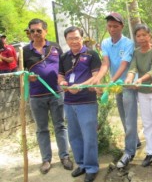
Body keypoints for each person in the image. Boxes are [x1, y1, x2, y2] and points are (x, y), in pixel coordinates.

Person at [23, 18, 73, 174]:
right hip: (36, 96)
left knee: (60, 125)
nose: (36, 33)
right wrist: (26, 77)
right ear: (29, 33)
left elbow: (65, 66)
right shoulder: (24, 51)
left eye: (39, 30)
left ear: (45, 31)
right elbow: (20, 73)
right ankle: (46, 160)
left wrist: (66, 83)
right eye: (32, 31)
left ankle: (64, 157)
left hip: (56, 93)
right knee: (42, 129)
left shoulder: (55, 47)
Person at [92, 12, 140, 168]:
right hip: (116, 85)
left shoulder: (128, 43)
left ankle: (129, 152)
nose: (112, 29)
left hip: (128, 84)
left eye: (115, 26)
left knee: (130, 118)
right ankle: (135, 142)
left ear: (122, 27)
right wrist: (99, 78)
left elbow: (124, 65)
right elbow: (105, 64)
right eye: (110, 26)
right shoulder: (105, 43)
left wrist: (110, 83)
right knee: (123, 116)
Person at [58, 26, 101, 182]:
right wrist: (63, 82)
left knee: (89, 136)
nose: (74, 41)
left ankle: (91, 168)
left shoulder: (92, 55)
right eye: (70, 38)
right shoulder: (63, 57)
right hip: (69, 102)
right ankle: (81, 164)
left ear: (82, 38)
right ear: (66, 40)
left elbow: (96, 77)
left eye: (77, 38)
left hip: (87, 101)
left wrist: (80, 86)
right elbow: (60, 75)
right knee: (74, 136)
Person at [125, 24, 152, 172]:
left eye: (144, 35)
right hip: (142, 93)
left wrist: (140, 80)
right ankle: (150, 153)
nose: (142, 38)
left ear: (149, 36)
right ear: (136, 38)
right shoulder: (136, 52)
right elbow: (132, 67)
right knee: (147, 124)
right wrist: (129, 78)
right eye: (138, 36)